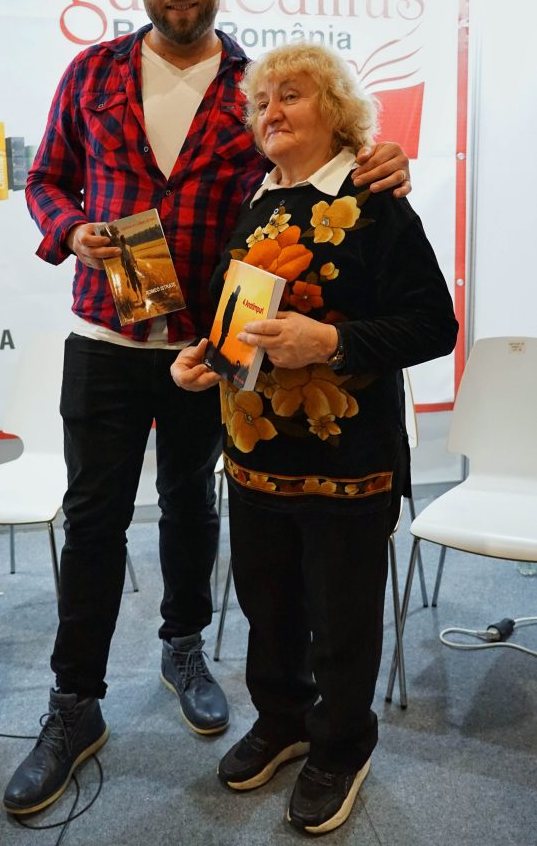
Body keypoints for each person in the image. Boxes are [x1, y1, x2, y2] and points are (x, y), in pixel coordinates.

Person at [2, 0, 413, 817]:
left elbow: (313, 164)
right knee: (94, 520)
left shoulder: (252, 84)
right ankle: (74, 704)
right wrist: (70, 232)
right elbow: (45, 178)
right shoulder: (92, 72)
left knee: (193, 507)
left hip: (213, 351)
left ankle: (183, 648)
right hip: (106, 340)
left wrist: (384, 162)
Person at [170, 42, 458, 835]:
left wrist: (329, 343)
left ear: (336, 110)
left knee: (340, 617)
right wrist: (204, 358)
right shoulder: (257, 202)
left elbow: (432, 325)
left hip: (346, 460)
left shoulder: (373, 201)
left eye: (290, 95)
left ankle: (340, 745)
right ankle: (283, 721)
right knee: (266, 605)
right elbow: (237, 317)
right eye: (261, 102)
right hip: (254, 455)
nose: (270, 112)